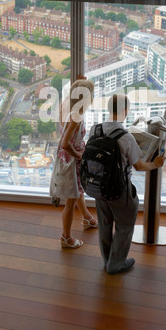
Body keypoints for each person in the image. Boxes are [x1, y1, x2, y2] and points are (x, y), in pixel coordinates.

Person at [89, 93, 165, 274]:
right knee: (124, 225)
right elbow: (138, 166)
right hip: (118, 189)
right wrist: (155, 164)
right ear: (125, 110)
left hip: (98, 186)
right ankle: (116, 264)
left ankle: (107, 259)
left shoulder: (95, 129)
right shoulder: (125, 136)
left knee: (105, 223)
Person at [56, 78, 98, 249]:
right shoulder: (76, 117)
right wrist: (79, 154)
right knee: (70, 201)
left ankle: (87, 217)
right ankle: (66, 237)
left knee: (77, 191)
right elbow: (65, 143)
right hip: (72, 160)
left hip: (66, 159)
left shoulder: (65, 103)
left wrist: (81, 83)